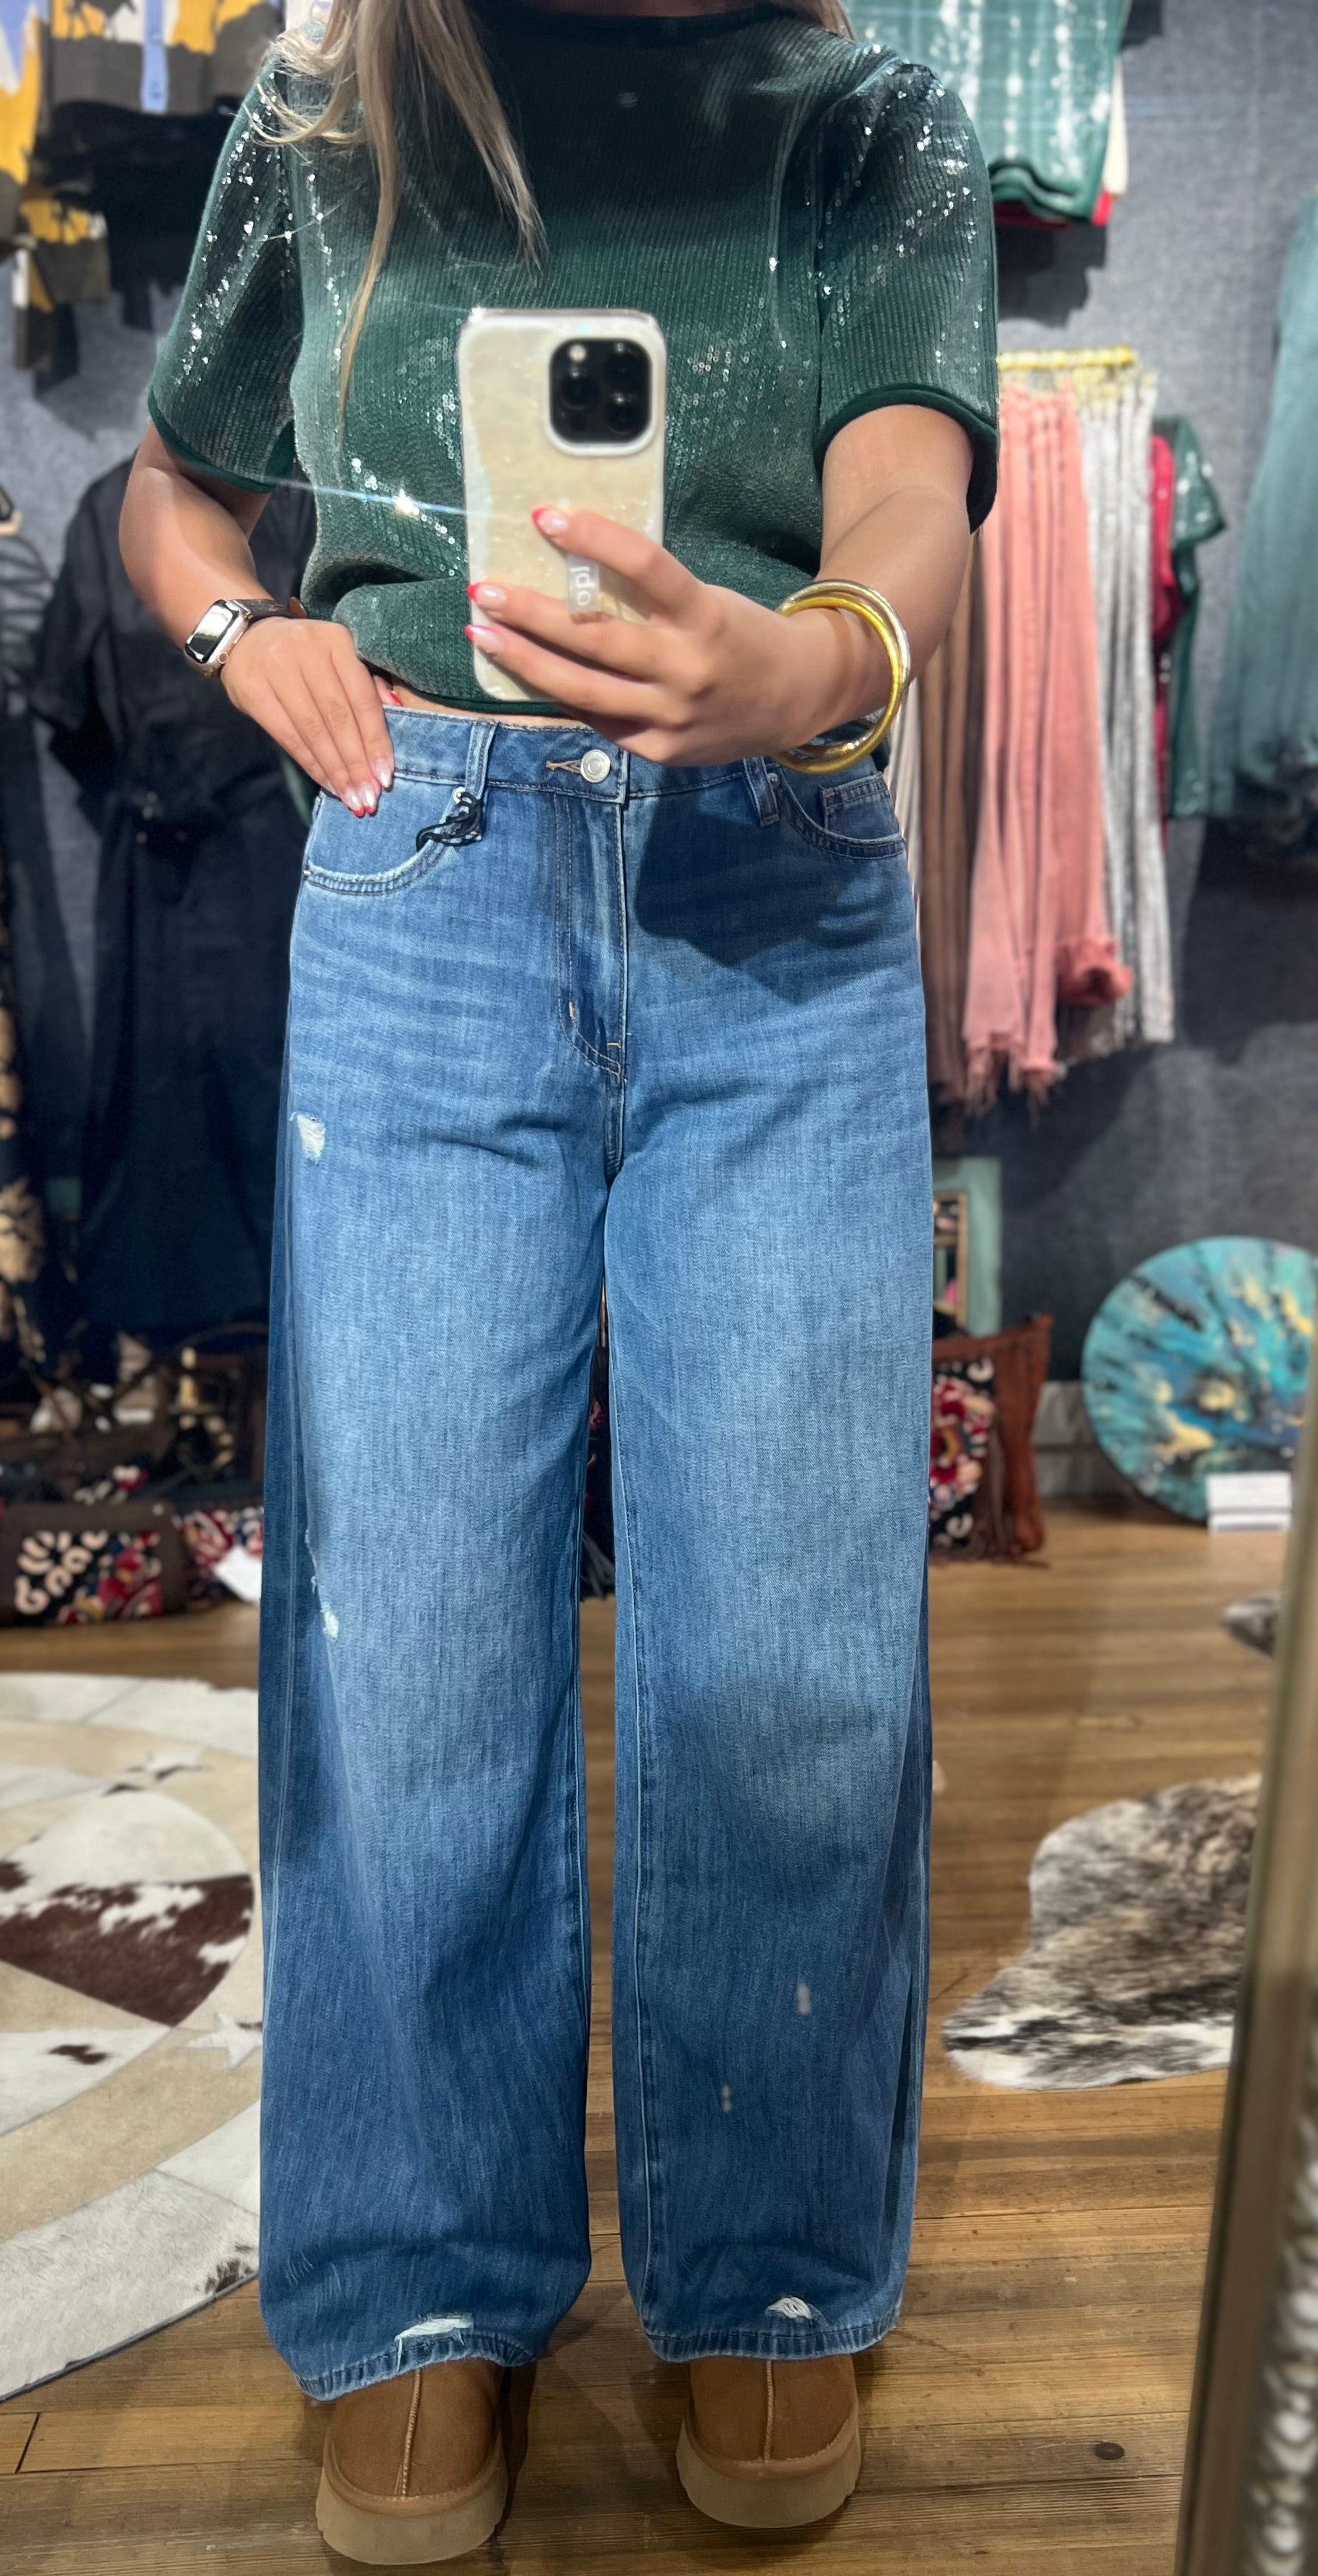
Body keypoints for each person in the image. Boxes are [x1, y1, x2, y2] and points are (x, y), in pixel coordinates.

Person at [120, 0, 997, 2559]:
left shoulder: (866, 118)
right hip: (426, 870)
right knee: (406, 1634)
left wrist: (823, 658)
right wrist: (240, 634)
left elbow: (912, 481)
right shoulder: (331, 110)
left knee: (795, 1641)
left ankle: (768, 2264)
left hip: (771, 874)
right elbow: (175, 488)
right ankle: (415, 2281)